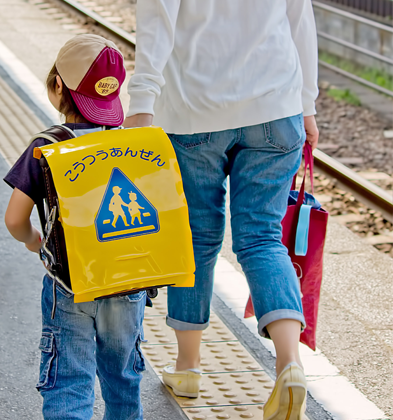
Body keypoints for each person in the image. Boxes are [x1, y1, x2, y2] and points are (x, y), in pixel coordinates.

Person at [124, 1, 319, 418]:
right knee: (262, 237)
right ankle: (290, 364)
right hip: (277, 108)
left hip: (195, 114)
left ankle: (188, 367)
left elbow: (157, 19)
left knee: (196, 238)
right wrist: (308, 107)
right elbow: (300, 21)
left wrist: (142, 104)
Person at [4, 34, 146, 420]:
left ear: (57, 86)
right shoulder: (133, 146)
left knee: (68, 379)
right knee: (123, 379)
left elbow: (15, 219)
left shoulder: (47, 146)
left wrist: (35, 242)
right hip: (128, 283)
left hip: (70, 283)